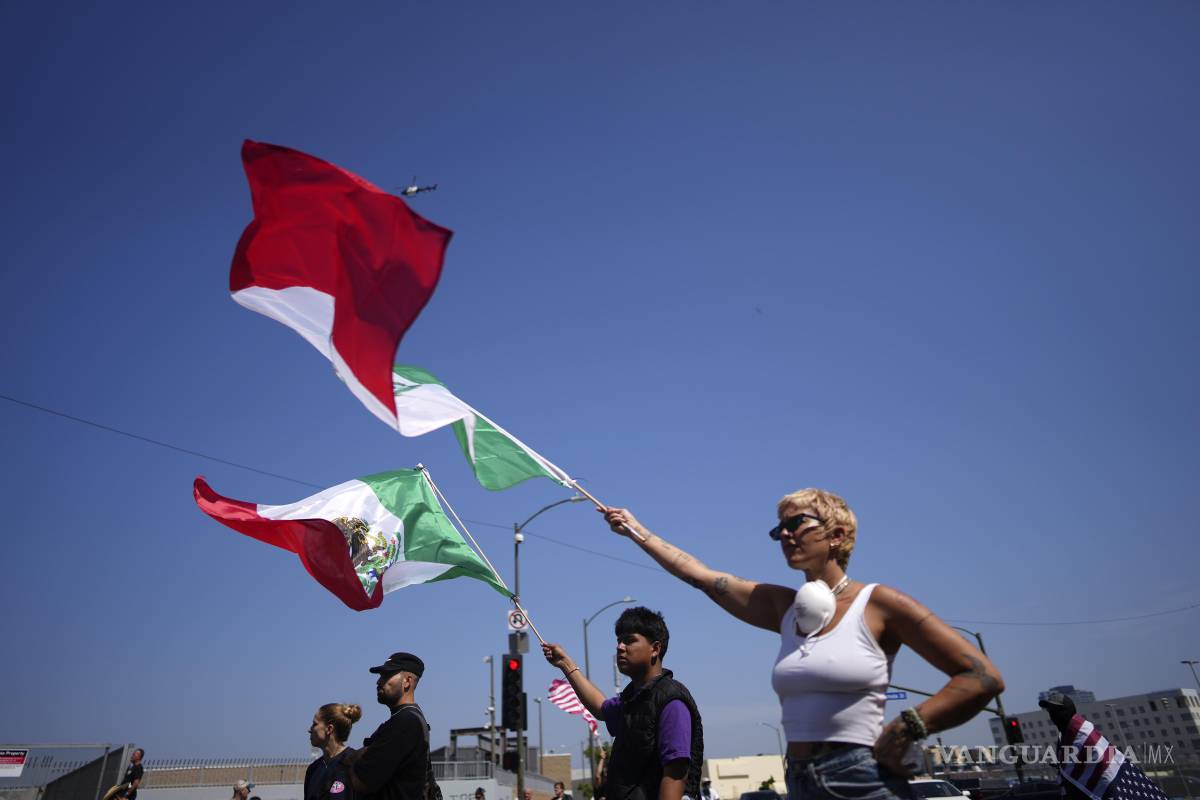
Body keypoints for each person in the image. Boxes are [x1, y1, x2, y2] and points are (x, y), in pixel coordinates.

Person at [601, 490, 1005, 800]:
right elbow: (701, 576)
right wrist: (634, 529)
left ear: (838, 535)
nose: (786, 534)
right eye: (780, 529)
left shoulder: (878, 604)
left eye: (798, 523)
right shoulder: (785, 608)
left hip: (862, 776)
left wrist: (907, 727)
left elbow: (981, 677)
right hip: (798, 777)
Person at [543, 606, 703, 800]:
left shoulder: (671, 700)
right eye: (619, 641)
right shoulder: (633, 700)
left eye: (629, 641)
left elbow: (675, 773)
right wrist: (565, 664)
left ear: (655, 648)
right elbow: (601, 708)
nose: (620, 647)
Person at [349, 652, 431, 800]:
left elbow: (361, 782)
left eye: (386, 676)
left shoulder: (405, 722)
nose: (379, 682)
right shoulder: (409, 718)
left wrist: (352, 757)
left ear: (407, 681)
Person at [306, 702, 363, 799]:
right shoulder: (313, 769)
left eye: (314, 724)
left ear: (329, 729)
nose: (309, 730)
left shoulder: (355, 763)